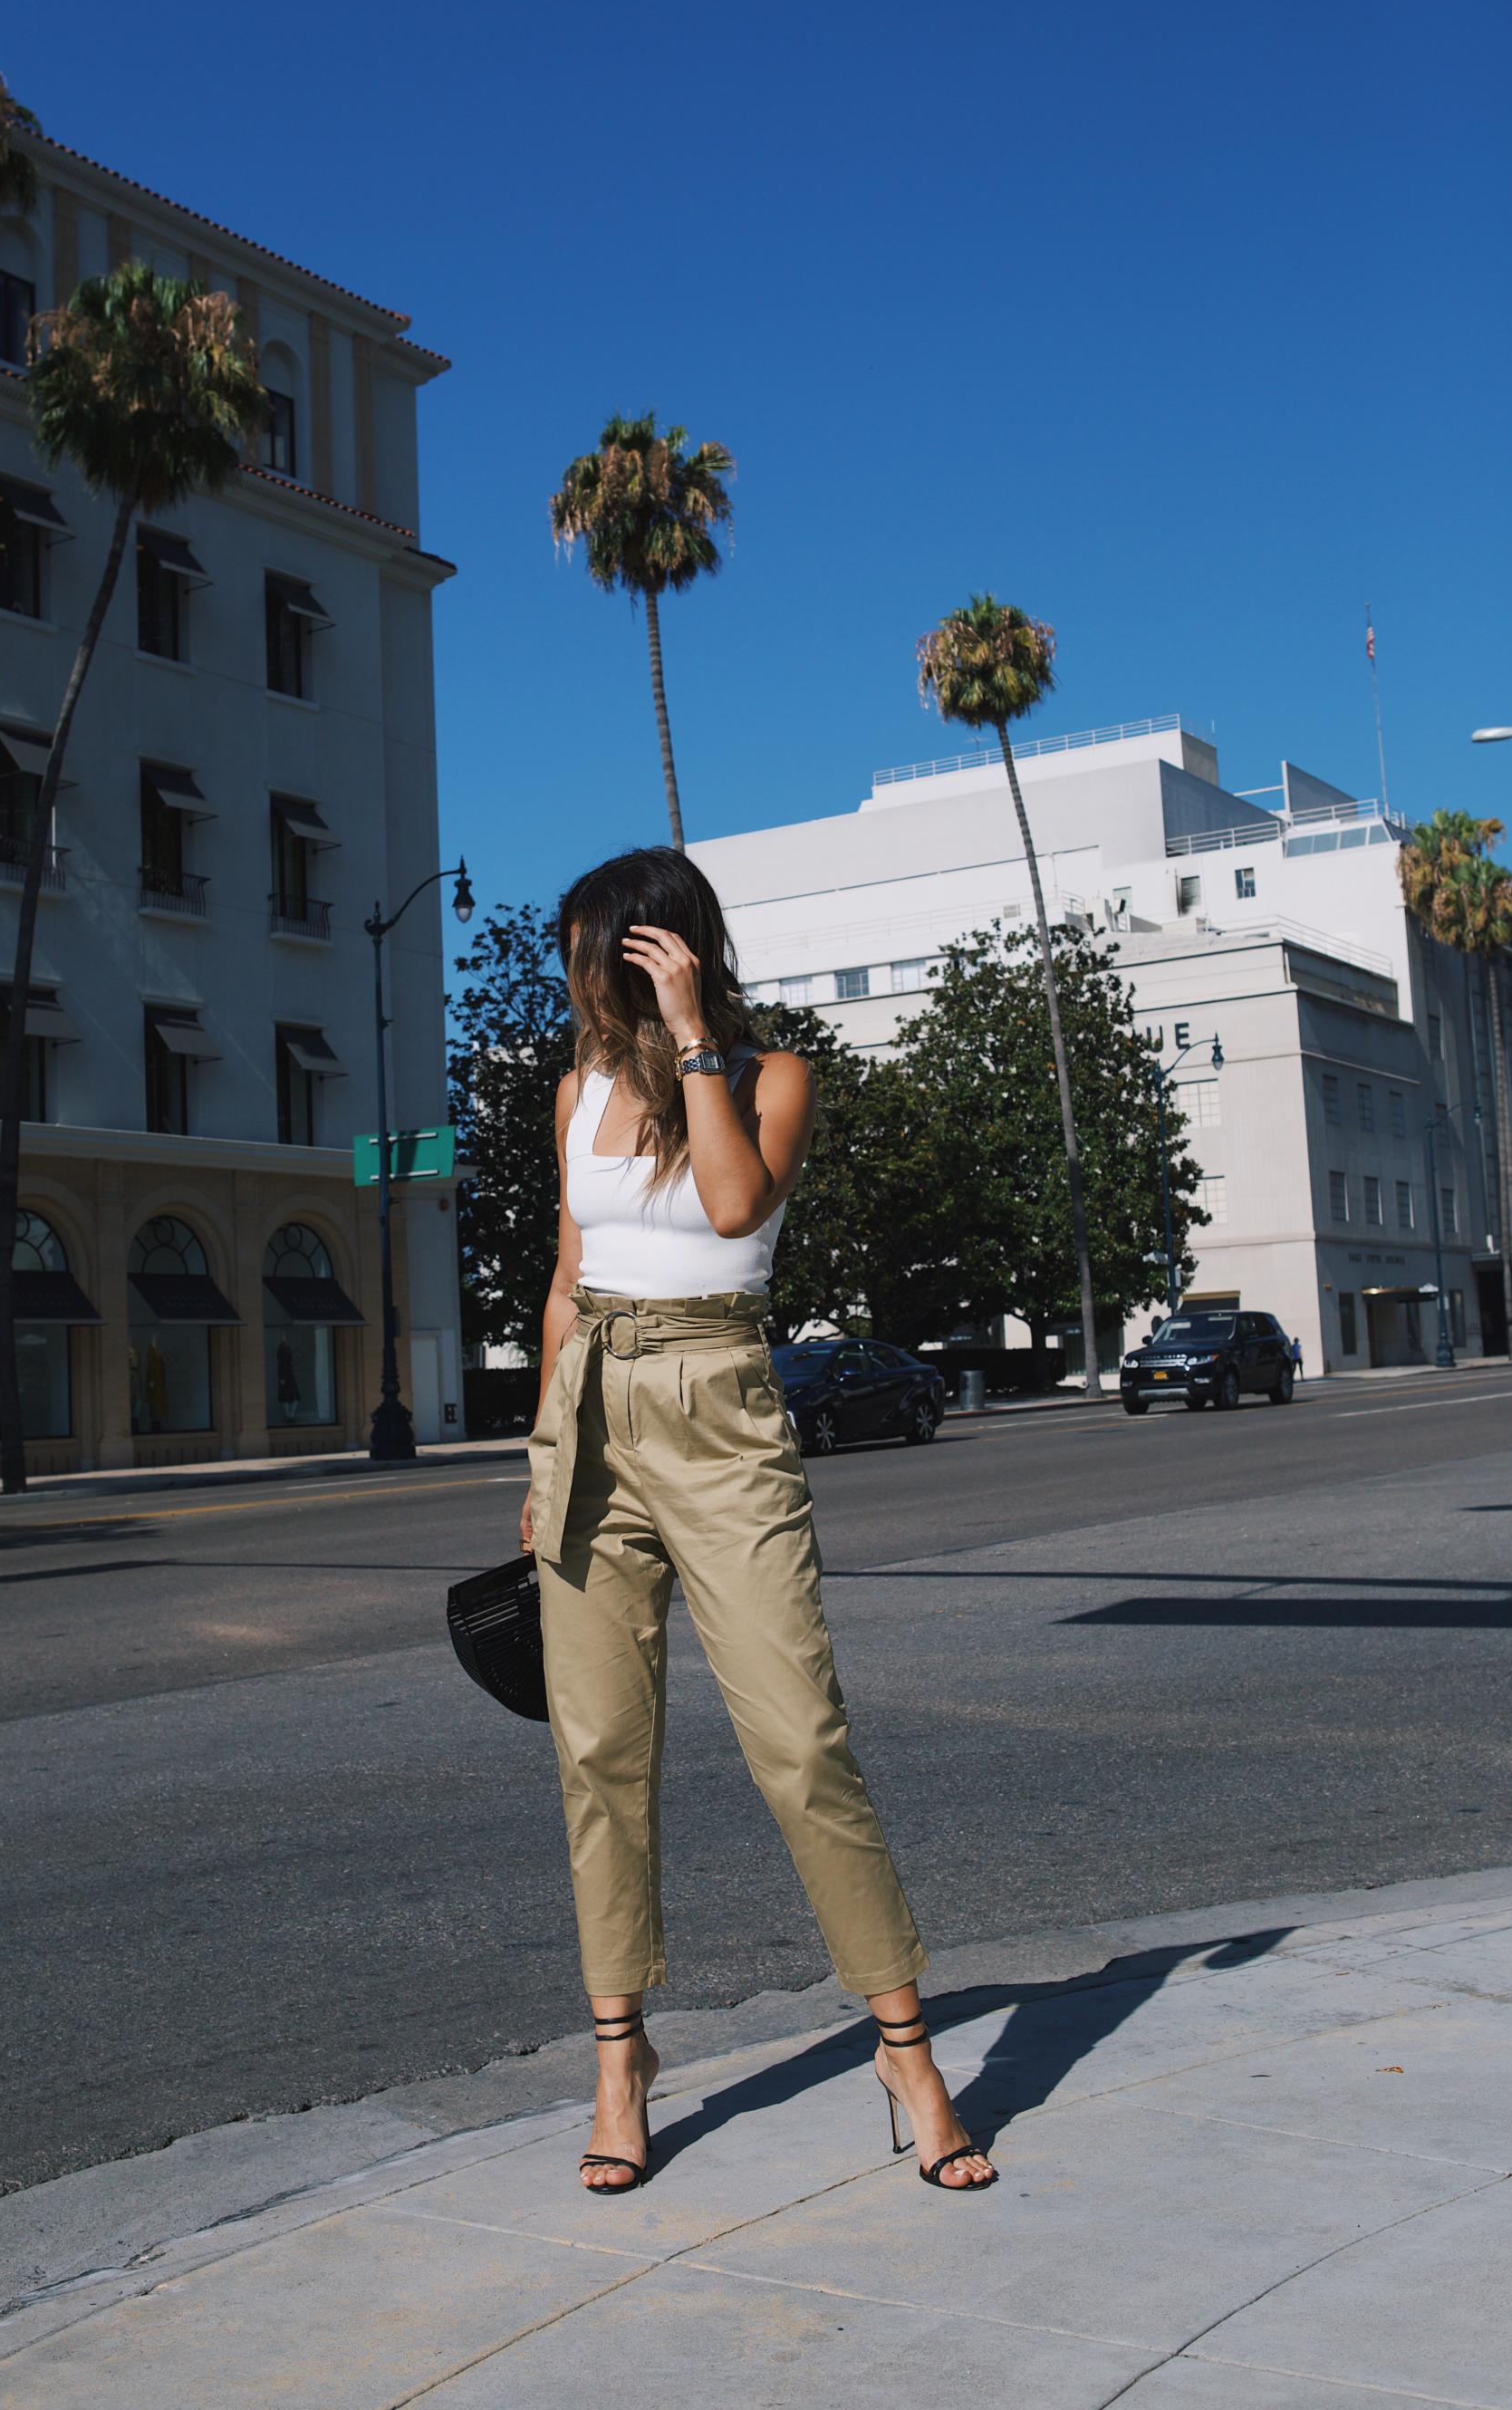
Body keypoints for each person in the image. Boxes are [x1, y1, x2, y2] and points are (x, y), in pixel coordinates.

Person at [520, 846, 994, 2197]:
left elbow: (732, 1204)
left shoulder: (770, 1076)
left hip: (721, 1405)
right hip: (589, 1407)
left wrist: (690, 1042)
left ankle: (906, 2052)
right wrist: (539, 1452)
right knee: (600, 1752)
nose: (581, 982)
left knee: (799, 1742)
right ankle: (621, 2060)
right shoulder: (574, 1090)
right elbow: (566, 1275)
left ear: (665, 950)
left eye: (601, 954)